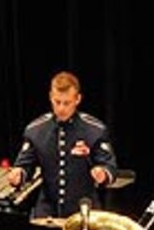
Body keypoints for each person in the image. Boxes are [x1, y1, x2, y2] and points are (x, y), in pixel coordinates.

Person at [6, 71, 117, 219]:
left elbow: (110, 167)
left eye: (67, 103)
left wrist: (102, 174)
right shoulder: (35, 130)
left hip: (84, 210)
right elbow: (25, 166)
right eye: (57, 102)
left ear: (78, 99)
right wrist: (18, 175)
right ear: (50, 97)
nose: (61, 108)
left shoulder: (94, 130)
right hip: (47, 211)